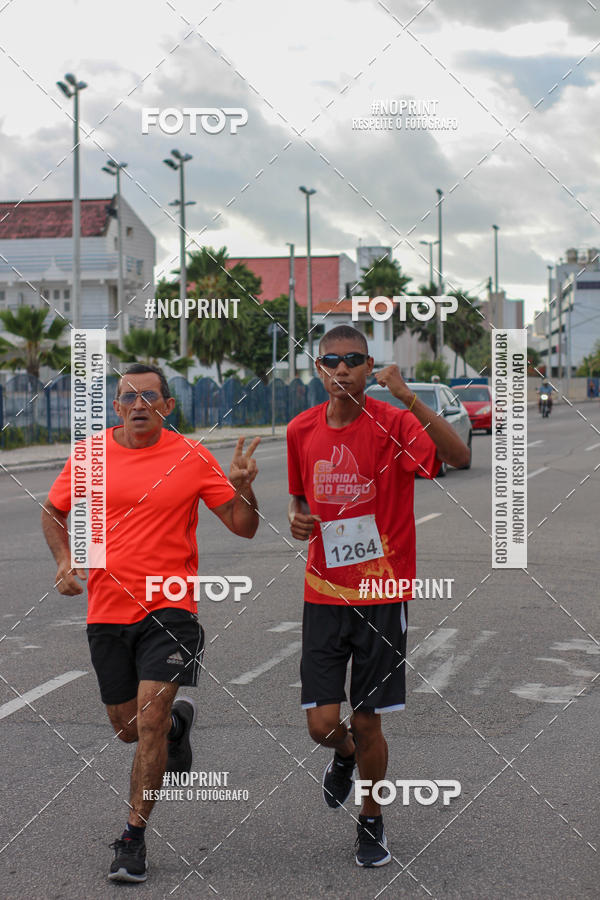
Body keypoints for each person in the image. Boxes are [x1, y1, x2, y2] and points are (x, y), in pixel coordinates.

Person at [41, 363, 260, 884]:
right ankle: (180, 723)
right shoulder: (90, 454)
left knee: (150, 723)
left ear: (167, 406)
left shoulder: (191, 456)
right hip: (107, 611)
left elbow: (244, 526)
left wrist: (245, 488)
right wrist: (63, 560)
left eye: (150, 396)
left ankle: (133, 839)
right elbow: (53, 511)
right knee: (127, 729)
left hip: (171, 609)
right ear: (116, 407)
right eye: (128, 397)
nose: (138, 404)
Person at [286, 325, 469, 868]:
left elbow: (458, 457)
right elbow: (301, 502)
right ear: (318, 370)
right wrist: (297, 521)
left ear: (370, 369)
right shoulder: (300, 430)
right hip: (322, 592)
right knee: (323, 724)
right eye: (330, 361)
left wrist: (409, 395)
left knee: (368, 720)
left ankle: (371, 819)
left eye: (353, 361)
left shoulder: (394, 423)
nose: (341, 370)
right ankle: (342, 757)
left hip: (381, 594)